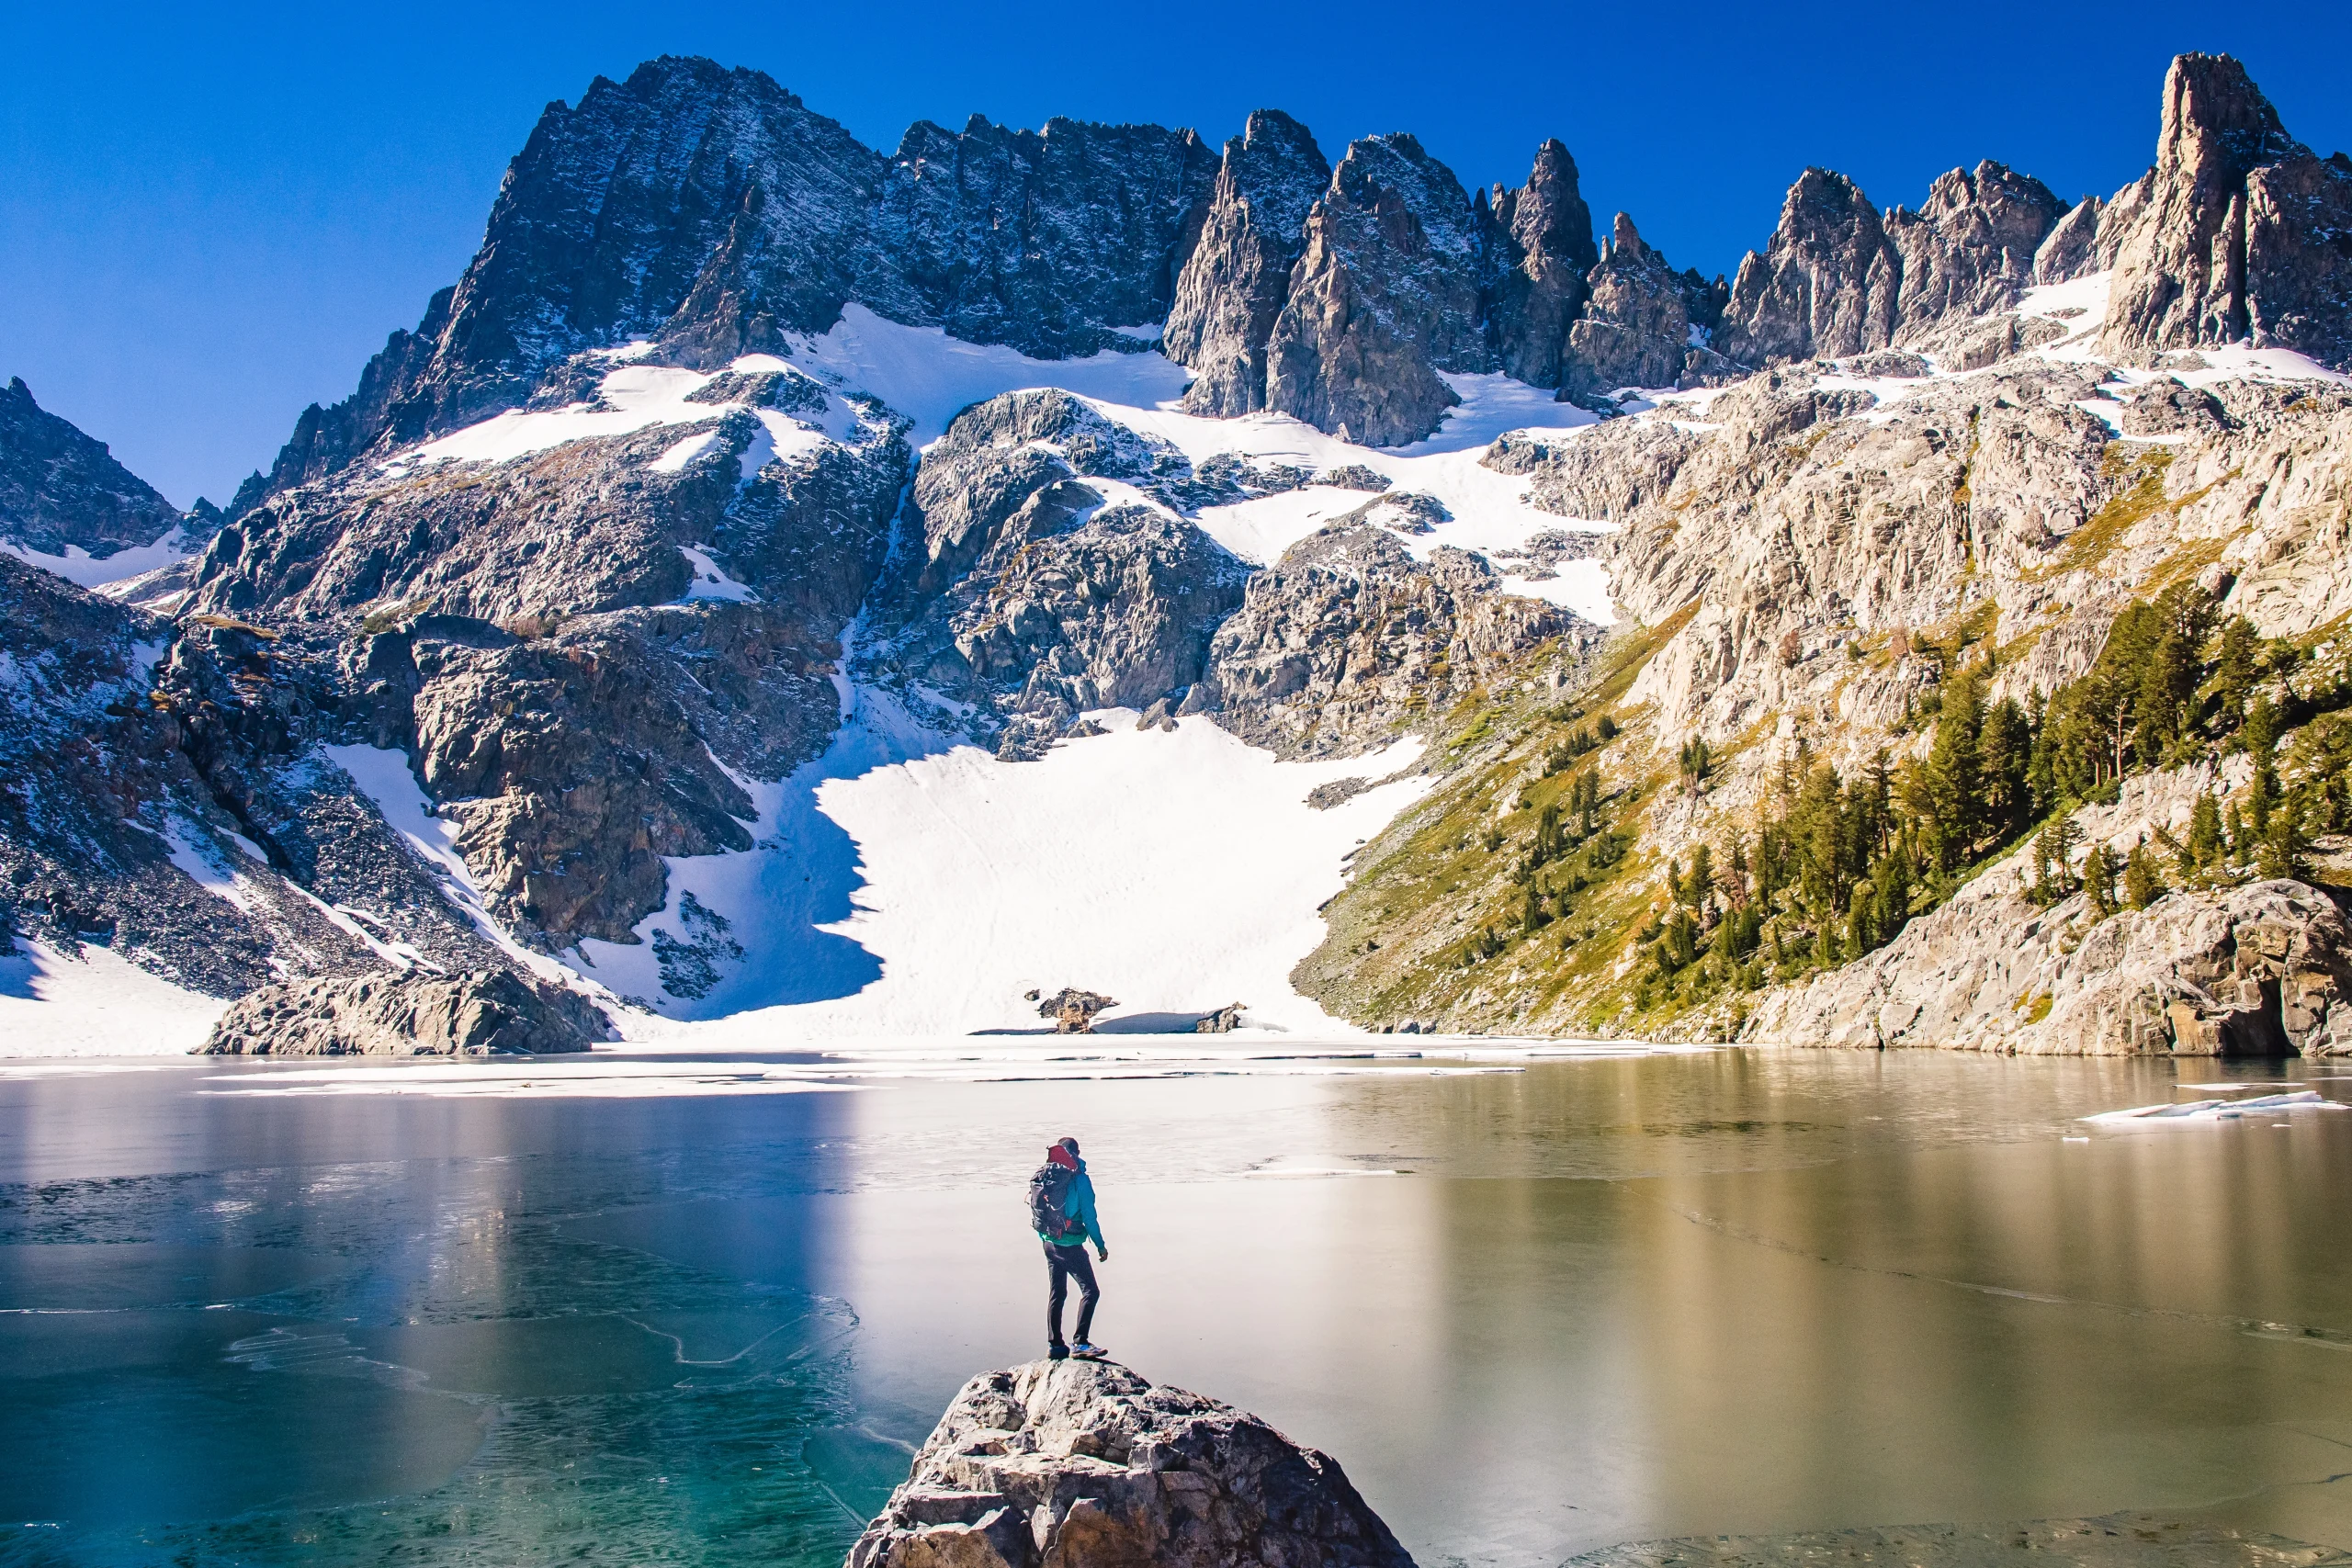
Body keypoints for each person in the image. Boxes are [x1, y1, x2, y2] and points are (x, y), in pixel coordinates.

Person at [1033, 1136, 1108, 1360]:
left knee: (1058, 1293)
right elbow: (1089, 1217)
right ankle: (1080, 1343)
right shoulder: (1079, 1179)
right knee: (1091, 1291)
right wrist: (1100, 1245)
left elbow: (1039, 1213)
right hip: (1071, 1245)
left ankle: (1055, 1345)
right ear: (1077, 1153)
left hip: (1049, 1243)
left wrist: (1047, 1238)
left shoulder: (1046, 1176)